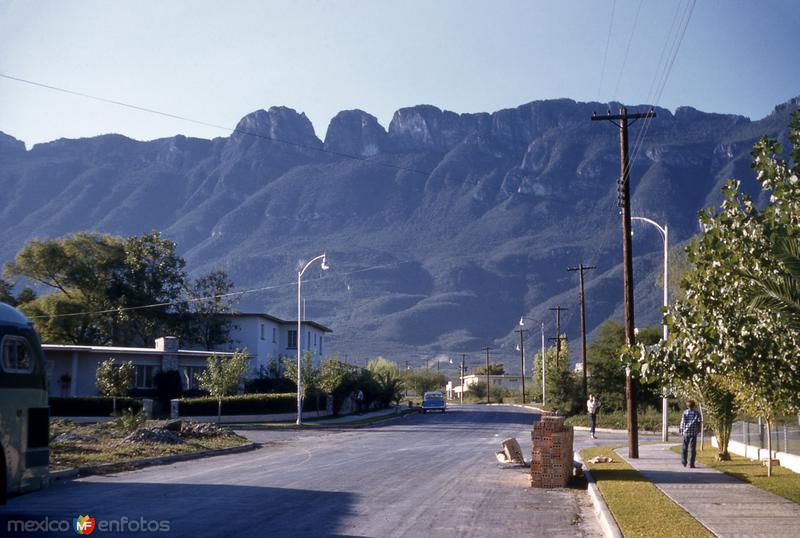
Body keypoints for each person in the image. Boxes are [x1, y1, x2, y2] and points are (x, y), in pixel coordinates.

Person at [679, 399, 702, 468]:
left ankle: (684, 461)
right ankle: (691, 464)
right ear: (694, 405)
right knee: (692, 449)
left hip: (686, 432)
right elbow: (699, 422)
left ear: (687, 406)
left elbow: (682, 422)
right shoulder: (697, 413)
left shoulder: (685, 412)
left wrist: (681, 429)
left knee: (684, 448)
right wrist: (699, 429)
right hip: (693, 433)